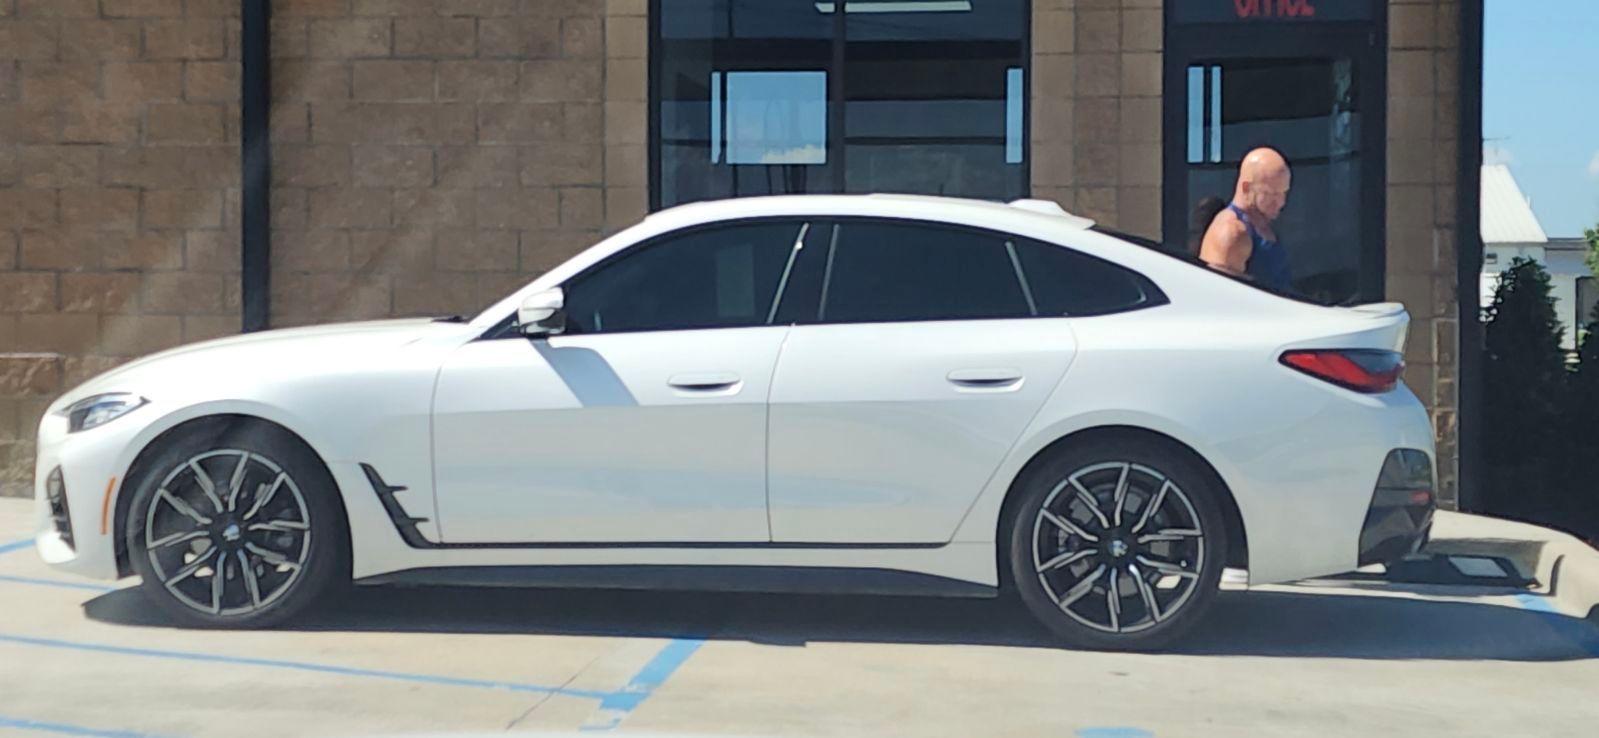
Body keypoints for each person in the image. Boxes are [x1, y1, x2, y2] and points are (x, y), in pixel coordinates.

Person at [1198, 147, 1293, 292]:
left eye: (1283, 193)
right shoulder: (1232, 233)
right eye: (1271, 194)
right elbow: (1219, 297)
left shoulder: (1262, 221)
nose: (1281, 202)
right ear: (1246, 188)